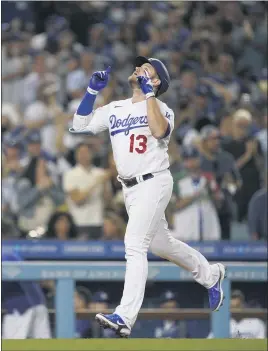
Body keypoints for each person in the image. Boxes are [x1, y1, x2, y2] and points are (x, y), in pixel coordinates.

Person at [70, 56, 226, 337]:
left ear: (156, 81)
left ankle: (124, 316)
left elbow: (158, 130)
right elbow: (79, 126)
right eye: (139, 66)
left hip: (154, 182)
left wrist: (151, 94)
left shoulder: (163, 109)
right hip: (129, 189)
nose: (139, 69)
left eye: (147, 70)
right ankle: (211, 275)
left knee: (134, 243)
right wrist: (92, 92)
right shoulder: (116, 107)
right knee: (160, 244)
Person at [199, 125, 241, 239]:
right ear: (204, 141)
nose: (216, 142)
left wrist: (231, 184)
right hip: (202, 207)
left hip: (224, 208)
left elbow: (237, 184)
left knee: (225, 242)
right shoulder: (198, 160)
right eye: (212, 139)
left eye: (218, 139)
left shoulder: (227, 158)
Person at [172, 146, 222, 241]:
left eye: (194, 158)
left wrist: (213, 192)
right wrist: (198, 192)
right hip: (184, 232)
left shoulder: (209, 178)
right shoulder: (176, 180)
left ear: (199, 159)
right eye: (187, 159)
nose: (191, 162)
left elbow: (219, 204)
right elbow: (174, 206)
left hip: (208, 231)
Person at [63, 143, 111, 239]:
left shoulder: (100, 173)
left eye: (86, 152)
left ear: (92, 154)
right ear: (76, 155)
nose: (84, 155)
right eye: (80, 152)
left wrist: (105, 184)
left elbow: (108, 201)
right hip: (78, 223)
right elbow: (77, 200)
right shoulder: (70, 174)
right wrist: (96, 183)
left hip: (98, 222)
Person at [2, 250, 51, 339]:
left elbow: (20, 276)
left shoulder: (6, 257)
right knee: (43, 345)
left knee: (10, 346)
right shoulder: (8, 255)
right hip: (37, 304)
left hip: (21, 307)